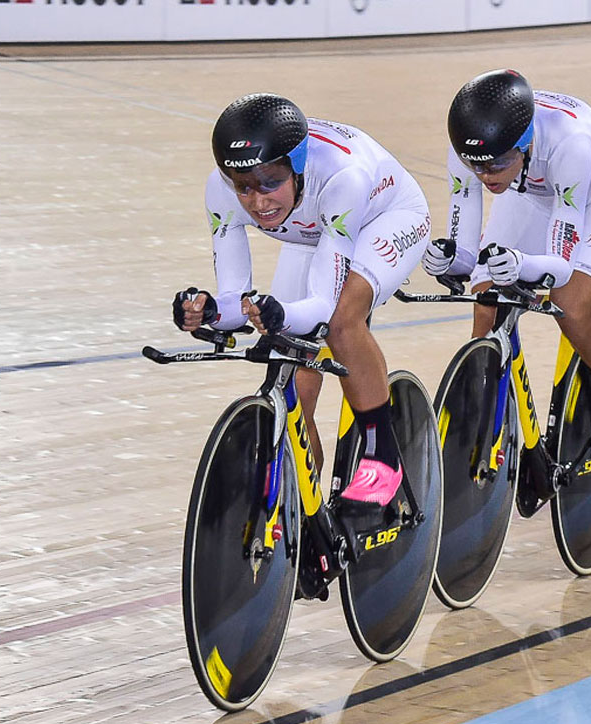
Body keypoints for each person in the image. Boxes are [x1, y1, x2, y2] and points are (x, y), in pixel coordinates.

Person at [173, 93, 431, 516]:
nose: (258, 202)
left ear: (296, 167)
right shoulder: (220, 189)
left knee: (342, 320)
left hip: (384, 218)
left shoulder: (340, 178)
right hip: (315, 234)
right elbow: (237, 297)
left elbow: (322, 308)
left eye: (271, 182)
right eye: (245, 187)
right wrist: (210, 311)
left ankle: (382, 455)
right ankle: (304, 520)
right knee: (295, 390)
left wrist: (281, 315)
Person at [423, 69, 591, 466]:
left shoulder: (569, 143)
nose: (486, 175)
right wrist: (448, 259)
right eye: (478, 166)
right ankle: (487, 415)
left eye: (496, 164)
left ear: (524, 144)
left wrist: (522, 263)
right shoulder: (472, 151)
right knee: (486, 300)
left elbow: (559, 265)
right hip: (532, 194)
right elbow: (466, 246)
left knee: (571, 306)